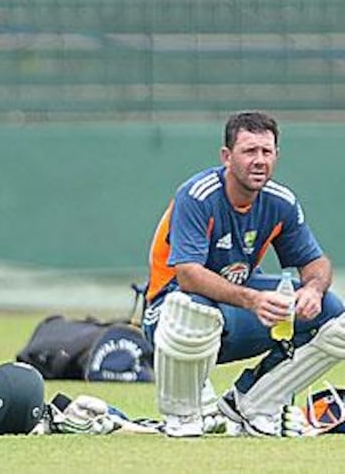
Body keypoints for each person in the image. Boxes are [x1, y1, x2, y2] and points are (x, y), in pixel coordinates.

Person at [141, 111, 345, 437]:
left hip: (235, 312)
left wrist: (313, 290)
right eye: (249, 151)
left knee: (336, 318)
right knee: (192, 308)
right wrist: (253, 300)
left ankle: (254, 404)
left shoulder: (281, 202)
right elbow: (188, 276)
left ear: (277, 155)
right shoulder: (197, 196)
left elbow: (317, 264)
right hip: (168, 313)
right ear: (227, 156)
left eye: (266, 152)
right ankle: (183, 414)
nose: (259, 160)